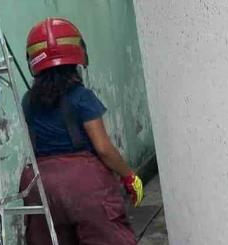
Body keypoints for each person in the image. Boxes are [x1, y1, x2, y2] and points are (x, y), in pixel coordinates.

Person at [19, 18, 142, 245]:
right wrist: (129, 175)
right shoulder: (81, 97)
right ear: (77, 55)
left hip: (41, 186)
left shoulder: (28, 101)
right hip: (84, 186)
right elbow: (103, 149)